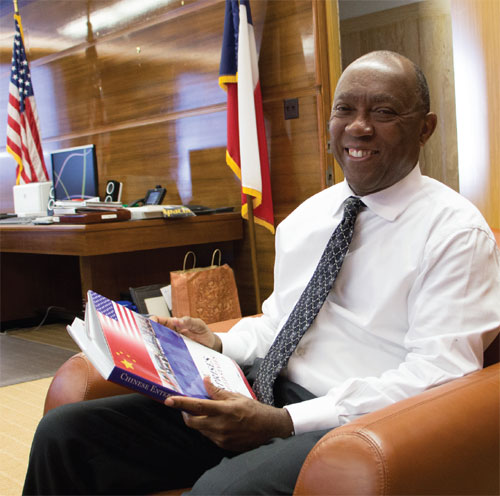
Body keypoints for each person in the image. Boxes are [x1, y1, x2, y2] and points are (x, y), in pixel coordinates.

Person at [23, 50, 500, 495]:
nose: (358, 127)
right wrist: (217, 343)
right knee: (66, 435)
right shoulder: (309, 218)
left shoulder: (454, 233)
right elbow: (280, 323)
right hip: (260, 391)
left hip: (349, 421)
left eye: (384, 112)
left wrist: (285, 422)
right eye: (344, 110)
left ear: (425, 128)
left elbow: (439, 374)